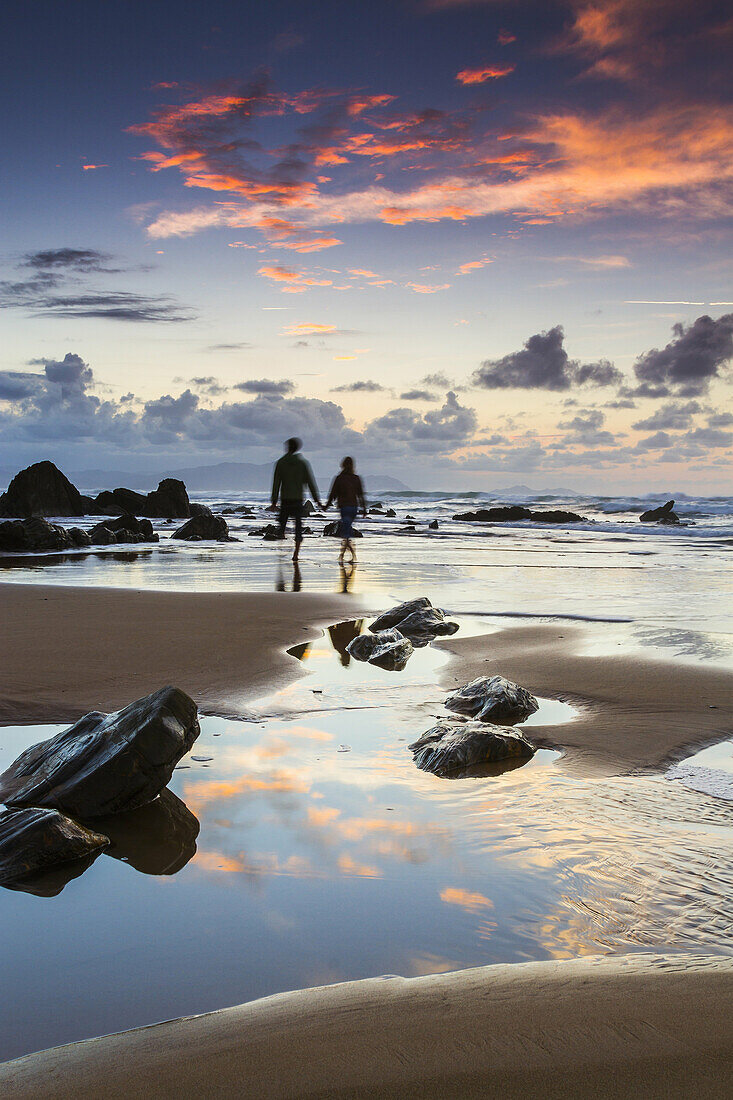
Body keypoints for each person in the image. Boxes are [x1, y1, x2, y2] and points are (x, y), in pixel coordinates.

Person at [271, 437, 322, 561]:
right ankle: (295, 555)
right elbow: (310, 482)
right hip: (298, 500)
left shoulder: (281, 462)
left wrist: (273, 501)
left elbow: (276, 483)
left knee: (282, 526)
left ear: (287, 447)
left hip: (285, 500)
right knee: (298, 527)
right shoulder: (302, 463)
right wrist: (317, 500)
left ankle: (282, 544)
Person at [326, 456, 366, 561]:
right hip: (353, 508)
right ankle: (344, 555)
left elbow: (333, 494)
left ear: (342, 465)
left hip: (344, 508)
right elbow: (361, 495)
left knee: (346, 532)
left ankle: (349, 555)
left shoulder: (339, 478)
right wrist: (364, 508)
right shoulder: (356, 478)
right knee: (347, 530)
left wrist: (326, 505)